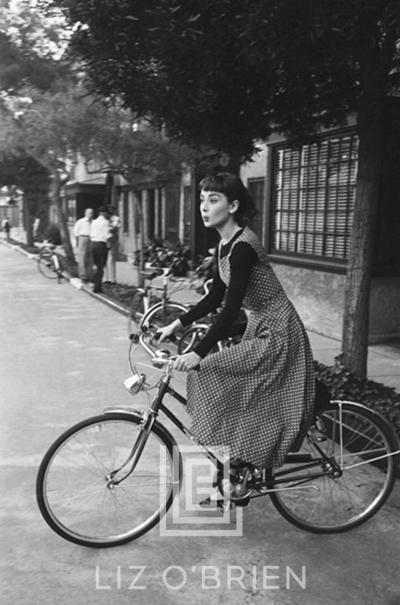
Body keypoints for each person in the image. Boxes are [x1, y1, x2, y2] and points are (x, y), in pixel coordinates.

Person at [158, 172, 315, 489]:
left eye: (213, 200)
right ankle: (242, 466)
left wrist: (196, 352)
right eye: (202, 200)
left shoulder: (243, 247)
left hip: (279, 332)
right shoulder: (224, 245)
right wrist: (177, 323)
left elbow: (229, 311)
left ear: (232, 206)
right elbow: (214, 296)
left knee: (209, 368)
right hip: (261, 326)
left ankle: (246, 461)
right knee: (240, 389)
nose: (204, 207)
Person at [90, 207, 110, 293]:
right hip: (101, 245)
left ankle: (95, 283)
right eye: (107, 213)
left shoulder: (94, 222)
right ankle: (97, 286)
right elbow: (107, 235)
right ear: (103, 213)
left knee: (96, 265)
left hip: (93, 244)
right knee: (101, 266)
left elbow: (91, 233)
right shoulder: (105, 222)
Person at [73, 208, 93, 281]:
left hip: (91, 239)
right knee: (82, 257)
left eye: (91, 213)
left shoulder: (93, 222)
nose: (90, 215)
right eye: (89, 213)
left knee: (90, 257)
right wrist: (78, 240)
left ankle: (89, 275)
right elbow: (75, 231)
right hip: (83, 238)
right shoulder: (81, 221)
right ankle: (82, 275)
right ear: (85, 213)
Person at [106, 205, 121, 283]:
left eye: (111, 210)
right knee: (105, 259)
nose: (110, 212)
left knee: (111, 258)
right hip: (104, 239)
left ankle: (112, 279)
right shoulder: (105, 219)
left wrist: (109, 228)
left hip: (112, 239)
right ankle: (107, 278)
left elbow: (115, 227)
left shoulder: (115, 218)